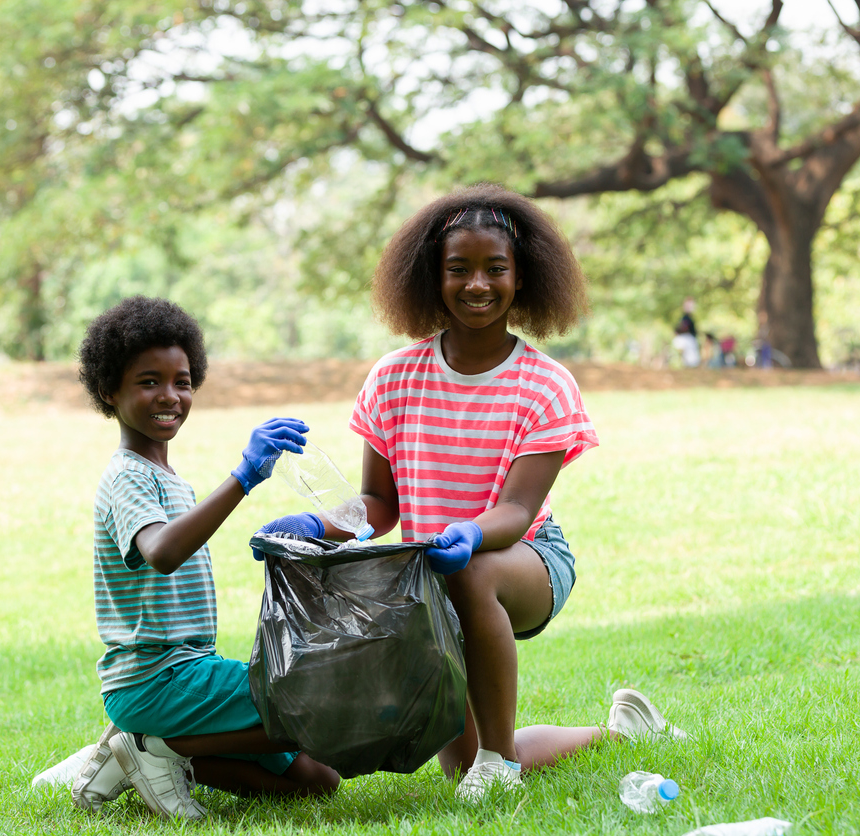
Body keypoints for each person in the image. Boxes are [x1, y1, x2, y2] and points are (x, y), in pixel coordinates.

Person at [257, 185, 687, 804]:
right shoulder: (394, 378)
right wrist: (316, 524)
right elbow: (378, 507)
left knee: (476, 576)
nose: (477, 284)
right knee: (459, 771)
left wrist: (470, 534)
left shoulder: (544, 385)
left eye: (496, 269)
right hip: (430, 578)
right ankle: (612, 732)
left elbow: (516, 510)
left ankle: (499, 758)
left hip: (525, 559)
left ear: (523, 277)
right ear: (430, 278)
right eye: (458, 269)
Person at [61, 296, 339, 820]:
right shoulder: (128, 476)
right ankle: (153, 748)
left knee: (317, 781)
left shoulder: (170, 479)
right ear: (108, 391)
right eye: (148, 382)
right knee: (309, 700)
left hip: (189, 670)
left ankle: (145, 755)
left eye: (182, 382)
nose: (169, 396)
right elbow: (163, 552)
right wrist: (243, 478)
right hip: (155, 678)